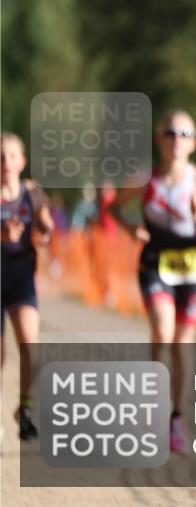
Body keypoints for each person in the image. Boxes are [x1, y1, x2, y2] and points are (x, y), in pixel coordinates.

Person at [109, 110, 196, 453]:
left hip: (190, 268)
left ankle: (177, 418)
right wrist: (131, 228)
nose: (178, 140)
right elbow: (114, 207)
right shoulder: (145, 178)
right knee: (162, 331)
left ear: (194, 144)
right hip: (154, 263)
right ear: (160, 140)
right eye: (171, 133)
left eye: (185, 134)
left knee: (182, 344)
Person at [1, 132, 54, 441]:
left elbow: (46, 228)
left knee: (31, 347)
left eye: (11, 155)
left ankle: (25, 409)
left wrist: (43, 234)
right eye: (0, 156)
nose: (5, 162)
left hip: (21, 277)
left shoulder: (32, 194)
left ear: (22, 162)